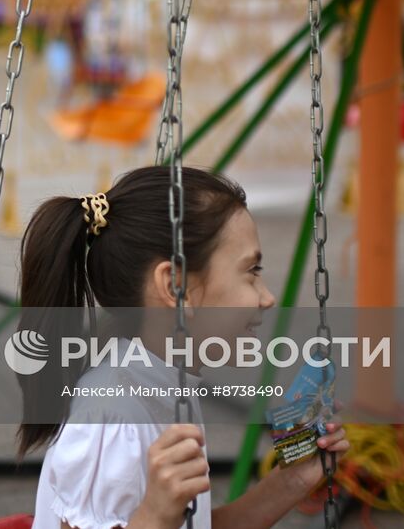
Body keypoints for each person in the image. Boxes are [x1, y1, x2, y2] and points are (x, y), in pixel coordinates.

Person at [20, 167, 349, 529]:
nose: (267, 297)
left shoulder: (164, 379)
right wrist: (154, 518)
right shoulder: (112, 419)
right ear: (176, 287)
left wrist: (291, 482)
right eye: (251, 271)